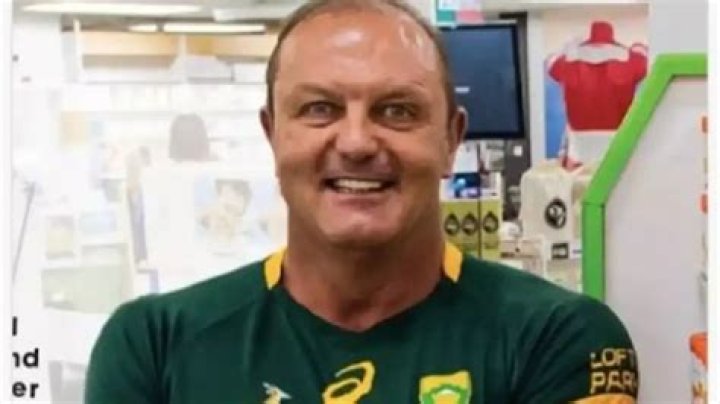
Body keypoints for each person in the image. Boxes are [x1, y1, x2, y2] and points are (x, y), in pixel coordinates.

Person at [85, 1, 639, 403]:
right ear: (273, 135)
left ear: (451, 140)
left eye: (397, 111)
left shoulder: (558, 338)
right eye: (319, 109)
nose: (355, 142)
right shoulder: (154, 344)